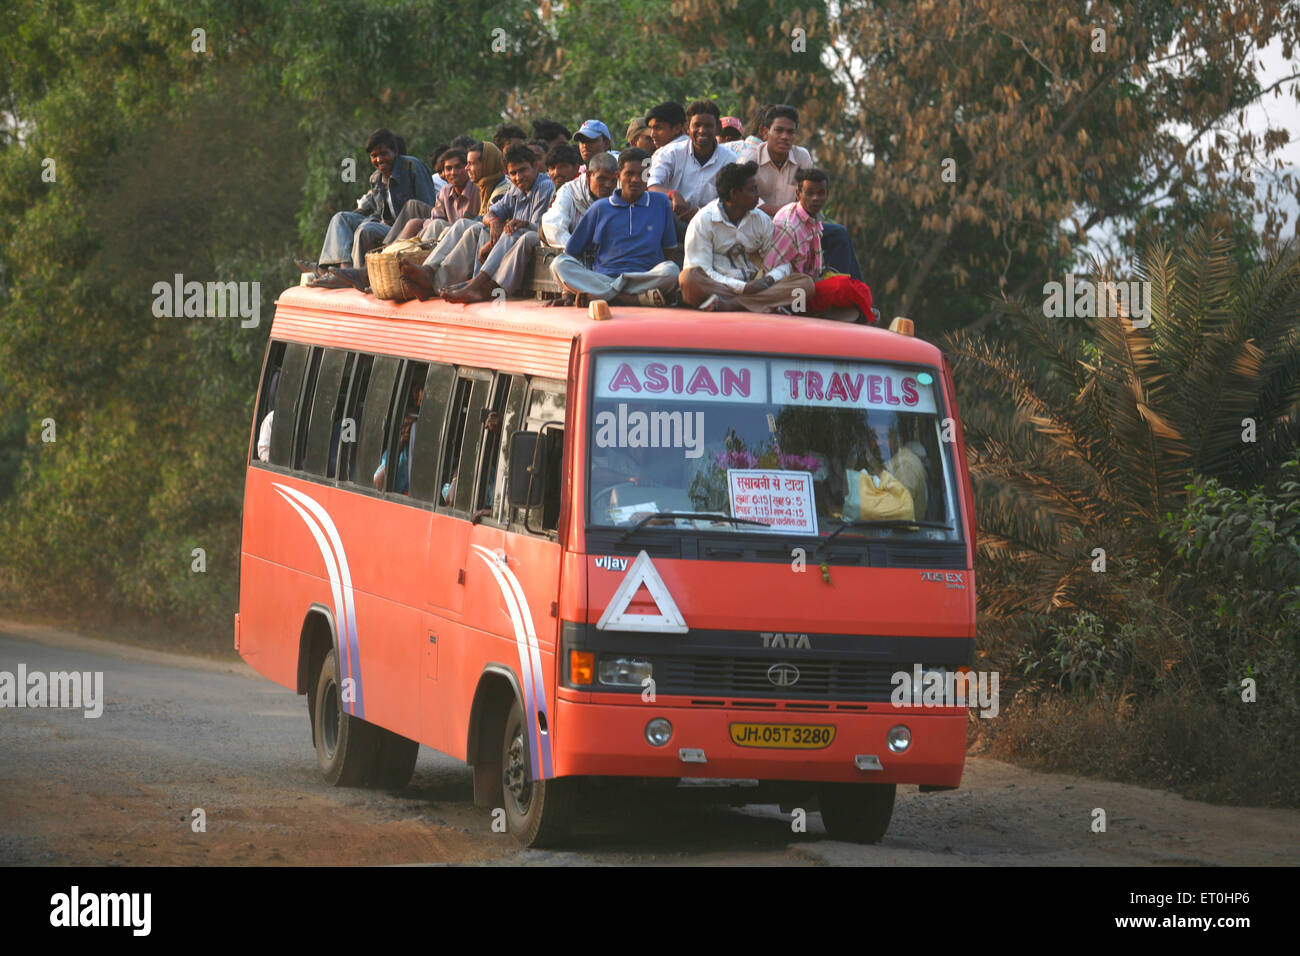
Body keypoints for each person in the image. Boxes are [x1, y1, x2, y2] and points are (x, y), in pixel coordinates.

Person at [401, 144, 555, 301]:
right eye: (513, 173)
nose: (518, 177)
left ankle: (474, 285)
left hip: (531, 239)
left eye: (522, 170)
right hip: (510, 238)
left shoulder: (541, 186)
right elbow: (491, 213)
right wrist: (494, 221)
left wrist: (511, 226)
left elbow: (534, 227)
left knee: (504, 231)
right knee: (470, 226)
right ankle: (431, 277)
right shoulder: (516, 188)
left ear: (536, 166)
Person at [738, 104, 864, 281]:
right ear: (764, 132)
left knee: (839, 234)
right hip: (760, 229)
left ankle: (848, 293)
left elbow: (810, 196)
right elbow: (745, 200)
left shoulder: (801, 157)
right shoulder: (750, 158)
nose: (785, 137)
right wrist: (784, 212)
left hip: (796, 227)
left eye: (790, 132)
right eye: (779, 130)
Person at [549, 149, 681, 307]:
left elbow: (670, 251)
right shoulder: (600, 208)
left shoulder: (661, 203)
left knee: (671, 271)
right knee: (559, 264)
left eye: (642, 175)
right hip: (605, 278)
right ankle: (631, 299)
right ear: (618, 176)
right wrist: (567, 294)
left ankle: (606, 295)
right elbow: (572, 252)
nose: (635, 180)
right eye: (629, 174)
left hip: (646, 277)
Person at [679, 160, 813, 312]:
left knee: (804, 284)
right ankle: (759, 305)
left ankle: (732, 305)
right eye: (753, 190)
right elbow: (701, 269)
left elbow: (780, 262)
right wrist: (743, 288)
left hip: (757, 286)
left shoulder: (760, 219)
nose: (758, 194)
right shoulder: (703, 220)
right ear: (734, 193)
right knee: (688, 279)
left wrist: (768, 280)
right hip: (721, 287)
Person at [308, 129, 437, 274]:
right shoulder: (375, 178)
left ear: (395, 151)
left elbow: (426, 208)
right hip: (387, 226)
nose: (379, 160)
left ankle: (358, 274)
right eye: (374, 156)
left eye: (383, 153)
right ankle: (343, 270)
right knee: (341, 218)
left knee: (366, 229)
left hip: (405, 230)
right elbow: (380, 212)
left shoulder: (412, 167)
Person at [762, 168, 877, 322]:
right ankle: (805, 314)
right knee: (846, 289)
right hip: (793, 294)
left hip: (809, 283)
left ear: (827, 195)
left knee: (859, 290)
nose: (816, 198)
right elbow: (770, 272)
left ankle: (853, 310)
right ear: (798, 194)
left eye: (821, 193)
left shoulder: (812, 218)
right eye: (809, 193)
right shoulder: (789, 227)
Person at [648, 99, 736, 229]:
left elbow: (732, 201)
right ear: (687, 128)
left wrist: (701, 213)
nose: (702, 131)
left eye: (708, 126)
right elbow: (653, 186)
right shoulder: (671, 153)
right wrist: (672, 194)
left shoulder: (730, 160)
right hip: (674, 222)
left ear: (718, 127)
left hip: (711, 224)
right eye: (697, 125)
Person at [541, 152, 618, 247]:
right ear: (589, 175)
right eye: (602, 179)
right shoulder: (570, 191)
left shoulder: (620, 193)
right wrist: (576, 249)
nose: (608, 185)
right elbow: (554, 226)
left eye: (613, 180)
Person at [467, 140, 510, 204]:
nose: (466, 168)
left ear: (488, 164)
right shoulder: (483, 189)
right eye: (467, 163)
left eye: (471, 163)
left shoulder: (501, 196)